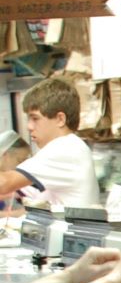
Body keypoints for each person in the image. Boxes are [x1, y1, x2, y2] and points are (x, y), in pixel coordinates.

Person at [0, 77, 101, 209]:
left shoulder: (64, 149)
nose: (29, 126)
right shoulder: (70, 146)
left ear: (60, 119)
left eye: (35, 118)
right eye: (28, 119)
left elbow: (4, 184)